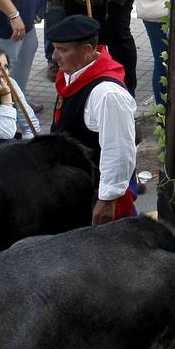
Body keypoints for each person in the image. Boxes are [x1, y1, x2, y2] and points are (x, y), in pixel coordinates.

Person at [48, 15, 138, 225]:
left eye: (62, 50)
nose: (54, 56)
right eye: (54, 48)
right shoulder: (73, 73)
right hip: (75, 189)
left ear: (88, 50)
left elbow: (119, 150)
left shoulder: (107, 94)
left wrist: (107, 200)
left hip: (98, 195)